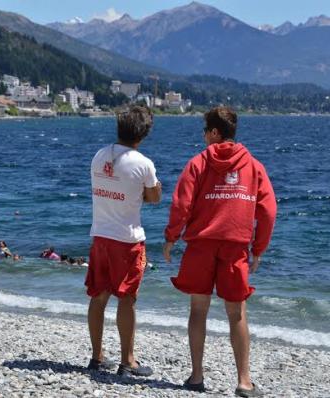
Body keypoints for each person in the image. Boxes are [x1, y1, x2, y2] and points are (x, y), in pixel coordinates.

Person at [162, 107, 277, 397]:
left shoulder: (198, 163)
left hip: (200, 245)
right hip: (235, 246)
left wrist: (171, 237)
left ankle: (197, 376)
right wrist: (258, 247)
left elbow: (181, 205)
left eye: (205, 131)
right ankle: (244, 381)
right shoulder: (254, 166)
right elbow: (268, 211)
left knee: (198, 309)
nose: (203, 136)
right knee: (236, 313)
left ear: (214, 132)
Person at [86, 105, 162, 377]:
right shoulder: (143, 164)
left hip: (101, 234)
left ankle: (96, 356)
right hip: (127, 239)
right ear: (142, 135)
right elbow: (154, 198)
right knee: (127, 299)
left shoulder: (99, 156)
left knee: (98, 295)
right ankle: (127, 360)